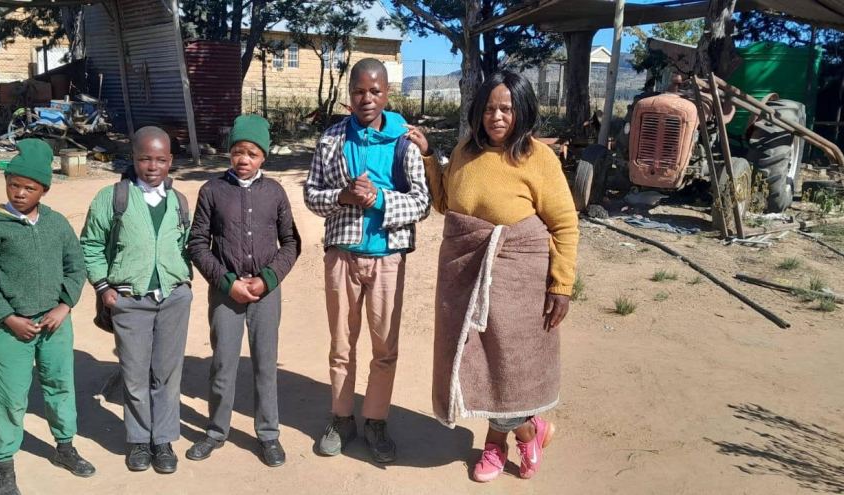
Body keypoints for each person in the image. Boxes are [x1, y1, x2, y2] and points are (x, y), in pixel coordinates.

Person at [413, 70, 578, 483]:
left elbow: (564, 224)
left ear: (522, 111)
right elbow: (446, 203)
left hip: (519, 279)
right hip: (466, 273)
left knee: (509, 365)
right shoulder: (466, 150)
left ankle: (503, 441)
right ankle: (529, 427)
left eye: (506, 108)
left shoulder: (539, 158)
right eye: (489, 109)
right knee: (478, 360)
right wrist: (430, 156)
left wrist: (561, 285)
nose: (497, 117)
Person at [303, 58, 431, 463]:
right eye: (359, 91)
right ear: (350, 95)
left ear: (387, 93)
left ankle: (376, 420)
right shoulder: (332, 139)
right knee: (341, 345)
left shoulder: (403, 141)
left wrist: (379, 199)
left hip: (388, 258)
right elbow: (311, 194)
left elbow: (422, 202)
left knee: (384, 347)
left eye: (375, 91)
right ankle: (342, 418)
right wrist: (342, 196)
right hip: (342, 256)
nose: (367, 99)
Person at [0, 138, 95, 495]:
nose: (20, 193)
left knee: (60, 385)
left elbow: (76, 266)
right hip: (10, 328)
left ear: (44, 190)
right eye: (14, 185)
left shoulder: (56, 224)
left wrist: (64, 306)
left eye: (30, 188)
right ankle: (3, 465)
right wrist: (8, 318)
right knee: (10, 396)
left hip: (55, 324)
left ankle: (65, 447)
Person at [185, 114, 301, 467]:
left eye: (252, 153)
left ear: (264, 156)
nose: (244, 159)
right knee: (223, 363)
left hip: (266, 292)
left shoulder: (275, 192)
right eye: (238, 151)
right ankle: (216, 431)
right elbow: (197, 244)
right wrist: (226, 282)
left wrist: (268, 278)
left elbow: (291, 242)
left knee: (265, 363)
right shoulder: (212, 191)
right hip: (226, 294)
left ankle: (268, 433)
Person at [80, 127, 193, 475]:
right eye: (145, 158)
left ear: (170, 161)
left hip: (173, 299)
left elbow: (186, 244)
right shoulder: (113, 198)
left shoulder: (178, 201)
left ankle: (164, 440)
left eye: (160, 159)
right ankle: (139, 440)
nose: (152, 166)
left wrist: (183, 282)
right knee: (135, 374)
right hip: (129, 300)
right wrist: (103, 287)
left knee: (167, 374)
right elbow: (91, 244)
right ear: (133, 158)